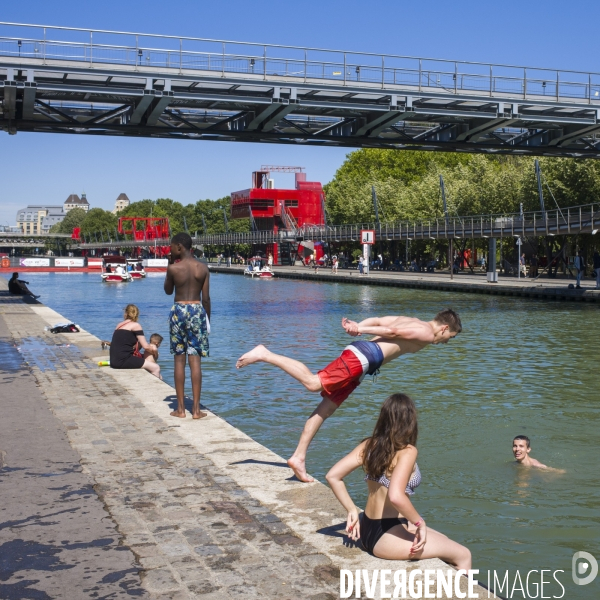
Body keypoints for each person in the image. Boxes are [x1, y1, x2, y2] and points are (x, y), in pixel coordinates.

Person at [236, 309, 462, 482]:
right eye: (449, 337)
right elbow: (392, 332)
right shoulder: (424, 332)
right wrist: (360, 329)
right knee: (313, 384)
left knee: (327, 407)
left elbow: (378, 321)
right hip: (363, 358)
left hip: (364, 362)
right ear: (443, 328)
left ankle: (298, 457)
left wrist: (359, 326)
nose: (445, 342)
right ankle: (264, 354)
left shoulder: (412, 320)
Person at [326, 393, 471, 568]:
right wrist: (420, 523)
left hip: (368, 528)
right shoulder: (408, 451)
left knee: (445, 542)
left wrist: (352, 510)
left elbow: (333, 476)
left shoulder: (369, 445)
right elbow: (396, 496)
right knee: (463, 555)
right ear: (410, 421)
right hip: (386, 535)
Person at [164, 232, 211, 420]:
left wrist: (169, 264)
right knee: (195, 360)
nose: (170, 249)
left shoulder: (174, 269)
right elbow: (206, 298)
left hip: (179, 310)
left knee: (179, 360)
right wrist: (207, 321)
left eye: (172, 246)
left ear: (179, 248)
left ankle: (181, 409)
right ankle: (197, 411)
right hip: (197, 310)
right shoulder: (203, 268)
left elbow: (168, 291)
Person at [109, 304, 161, 378]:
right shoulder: (136, 325)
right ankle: (155, 388)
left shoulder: (119, 325)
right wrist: (155, 353)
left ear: (126, 314)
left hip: (113, 360)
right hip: (123, 360)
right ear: (137, 315)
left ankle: (159, 379)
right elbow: (146, 347)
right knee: (156, 368)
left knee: (149, 363)